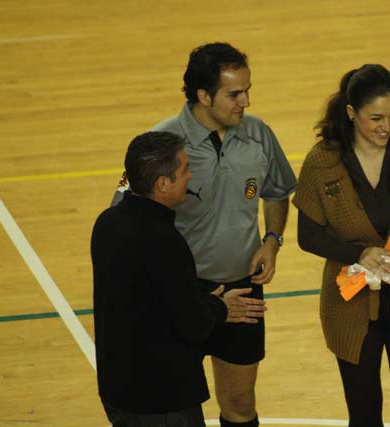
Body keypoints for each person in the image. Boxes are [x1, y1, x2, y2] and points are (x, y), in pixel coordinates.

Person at [112, 42, 297, 427]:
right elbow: (126, 221)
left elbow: (277, 190)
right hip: (181, 296)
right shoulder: (162, 145)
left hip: (243, 289)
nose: (245, 101)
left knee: (241, 403)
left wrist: (272, 241)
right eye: (234, 93)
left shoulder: (259, 134)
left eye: (247, 90)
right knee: (175, 405)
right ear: (203, 95)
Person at [292, 64, 390, 427]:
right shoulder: (322, 161)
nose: (385, 126)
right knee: (363, 415)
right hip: (350, 303)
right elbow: (307, 236)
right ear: (350, 113)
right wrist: (358, 253)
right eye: (375, 117)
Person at [92, 131, 265, 426]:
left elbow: (145, 299)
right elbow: (193, 324)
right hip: (162, 397)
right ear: (162, 183)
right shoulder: (164, 240)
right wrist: (220, 306)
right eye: (184, 169)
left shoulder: (106, 223)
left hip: (117, 388)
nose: (190, 175)